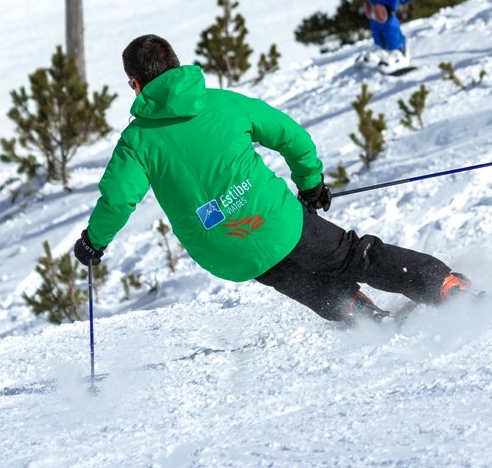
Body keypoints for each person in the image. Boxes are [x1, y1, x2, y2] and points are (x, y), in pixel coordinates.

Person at [74, 34, 471, 325]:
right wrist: (310, 182)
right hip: (276, 220)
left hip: (223, 248)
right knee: (353, 255)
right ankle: (443, 286)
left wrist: (94, 242)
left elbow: (118, 200)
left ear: (136, 84)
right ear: (177, 66)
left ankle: (361, 314)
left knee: (288, 275)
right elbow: (290, 136)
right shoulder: (223, 103)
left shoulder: (138, 139)